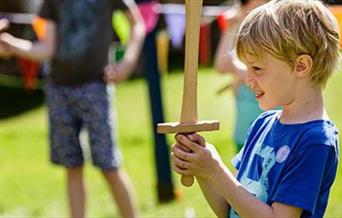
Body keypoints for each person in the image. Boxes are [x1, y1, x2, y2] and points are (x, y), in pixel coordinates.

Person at [172, 0, 339, 217]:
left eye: (257, 68)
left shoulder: (314, 142)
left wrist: (214, 171)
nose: (247, 79)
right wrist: (203, 168)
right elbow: (230, 208)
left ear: (301, 66)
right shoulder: (263, 123)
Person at [0, 0, 145, 217]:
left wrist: (128, 61)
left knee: (109, 165)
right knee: (72, 166)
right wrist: (11, 44)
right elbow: (48, 48)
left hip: (96, 87)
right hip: (58, 89)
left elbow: (138, 24)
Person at [214, 0, 267, 152]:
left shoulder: (273, 32)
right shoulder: (243, 32)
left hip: (271, 130)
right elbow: (222, 64)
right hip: (244, 129)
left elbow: (264, 77)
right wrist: (231, 26)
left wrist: (237, 70)